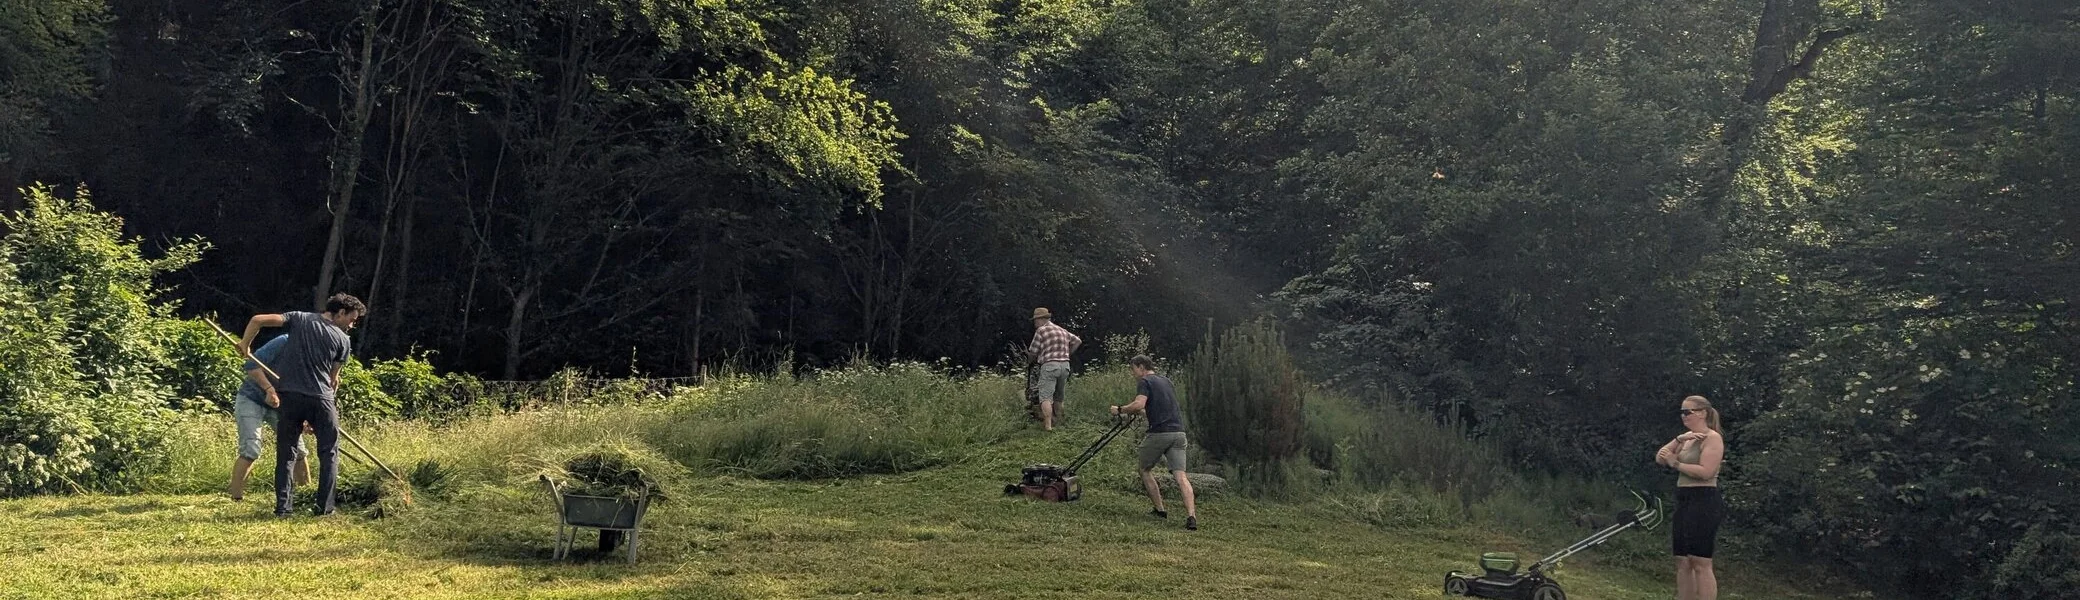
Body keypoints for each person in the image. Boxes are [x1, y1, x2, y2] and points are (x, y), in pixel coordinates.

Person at [239, 293, 364, 517]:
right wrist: (322, 415)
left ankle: (283, 509)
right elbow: (333, 380)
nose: (352, 325)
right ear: (341, 312)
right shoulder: (343, 341)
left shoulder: (298, 318)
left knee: (286, 454)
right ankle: (324, 509)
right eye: (352, 319)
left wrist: (245, 344)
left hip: (290, 398)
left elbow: (258, 320)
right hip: (321, 399)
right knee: (329, 454)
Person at [1110, 355, 1198, 531]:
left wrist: (1120, 410)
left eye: (1133, 369)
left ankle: (1160, 510)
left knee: (1144, 469)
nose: (1133, 374)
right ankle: (1191, 516)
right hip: (1178, 433)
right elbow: (1156, 408)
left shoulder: (1145, 381)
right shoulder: (1166, 381)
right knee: (1181, 476)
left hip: (1160, 434)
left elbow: (1138, 404)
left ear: (1141, 367)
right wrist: (1141, 413)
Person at [1654, 395, 1725, 600]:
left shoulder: (1712, 438)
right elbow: (1660, 457)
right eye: (1681, 412)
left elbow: (1706, 472)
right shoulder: (1687, 437)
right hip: (1684, 498)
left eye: (1688, 412)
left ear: (1702, 413)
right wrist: (1678, 439)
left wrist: (1676, 464)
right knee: (1682, 559)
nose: (1683, 416)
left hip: (1704, 500)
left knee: (1700, 560)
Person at [228, 333, 309, 501]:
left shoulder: (317, 354)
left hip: (283, 405)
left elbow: (309, 389)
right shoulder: (285, 341)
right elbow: (251, 365)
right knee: (251, 448)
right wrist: (269, 389)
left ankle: (306, 496)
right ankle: (235, 498)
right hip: (252, 399)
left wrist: (307, 417)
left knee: (298, 449)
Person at [1027, 307, 1082, 431]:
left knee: (1045, 397)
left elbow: (1033, 352)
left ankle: (1048, 426)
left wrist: (1030, 362)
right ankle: (1060, 422)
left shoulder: (1041, 331)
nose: (1035, 324)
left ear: (1041, 319)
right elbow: (1077, 341)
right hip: (1065, 366)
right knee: (1059, 396)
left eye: (1036, 320)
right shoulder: (1062, 330)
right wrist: (1067, 353)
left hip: (1050, 366)